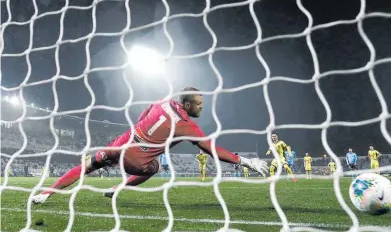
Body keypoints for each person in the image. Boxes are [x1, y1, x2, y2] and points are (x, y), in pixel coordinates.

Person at [31, 87, 268, 204]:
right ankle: (119, 187)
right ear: (186, 105)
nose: (201, 108)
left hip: (120, 144)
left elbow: (144, 112)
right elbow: (212, 149)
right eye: (198, 104)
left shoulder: (162, 101)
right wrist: (245, 161)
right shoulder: (187, 126)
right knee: (154, 168)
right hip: (137, 161)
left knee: (88, 165)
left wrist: (141, 127)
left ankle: (44, 194)